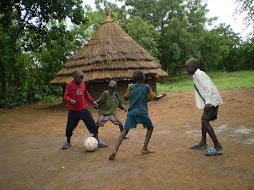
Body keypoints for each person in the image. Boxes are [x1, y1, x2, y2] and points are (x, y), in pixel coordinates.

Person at [109, 70, 167, 160]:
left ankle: (115, 149)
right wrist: (162, 94)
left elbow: (126, 97)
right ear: (143, 78)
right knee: (150, 128)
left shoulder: (130, 87)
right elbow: (155, 97)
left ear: (134, 79)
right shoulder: (146, 87)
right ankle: (144, 148)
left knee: (125, 130)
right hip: (142, 112)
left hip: (131, 112)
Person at [185, 58, 223, 156]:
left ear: (193, 67)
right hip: (211, 100)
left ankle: (217, 146)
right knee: (203, 121)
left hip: (212, 101)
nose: (186, 70)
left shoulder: (199, 75)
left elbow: (209, 87)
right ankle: (203, 142)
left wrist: (208, 102)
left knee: (204, 121)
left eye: (187, 68)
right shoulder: (197, 75)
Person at [62, 69, 108, 150]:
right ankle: (68, 142)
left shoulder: (83, 84)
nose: (81, 80)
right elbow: (66, 96)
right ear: (74, 77)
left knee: (92, 124)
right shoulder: (69, 85)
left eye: (82, 78)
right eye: (79, 78)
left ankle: (98, 141)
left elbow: (86, 94)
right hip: (73, 111)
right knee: (70, 127)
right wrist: (70, 100)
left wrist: (92, 101)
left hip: (84, 109)